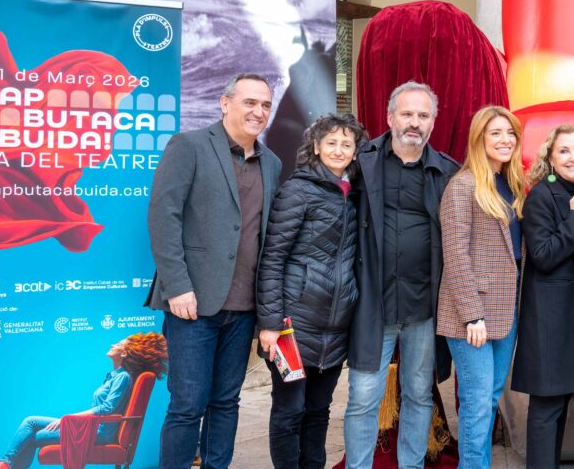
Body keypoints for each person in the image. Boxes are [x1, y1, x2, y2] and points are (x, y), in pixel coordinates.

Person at [146, 73, 282, 469]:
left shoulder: (271, 163)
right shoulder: (188, 146)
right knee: (187, 405)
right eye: (250, 102)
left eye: (265, 105)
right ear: (225, 103)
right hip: (192, 302)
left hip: (244, 307)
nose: (258, 112)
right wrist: (177, 287)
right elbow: (163, 217)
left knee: (226, 402)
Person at [345, 81, 460, 469]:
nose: (414, 122)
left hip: (424, 307)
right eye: (407, 114)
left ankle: (410, 465)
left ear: (433, 122)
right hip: (371, 305)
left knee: (417, 393)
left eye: (423, 115)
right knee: (362, 397)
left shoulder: (447, 173)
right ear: (390, 116)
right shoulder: (361, 162)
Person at [256, 114, 367, 468]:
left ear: (355, 152)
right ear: (316, 147)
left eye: (346, 144)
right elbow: (272, 258)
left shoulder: (353, 195)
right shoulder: (298, 189)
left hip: (334, 329)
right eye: (331, 142)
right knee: (290, 411)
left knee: (319, 412)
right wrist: (271, 323)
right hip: (292, 327)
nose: (338, 150)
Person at [437, 105, 527, 468]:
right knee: (476, 402)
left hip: (507, 310)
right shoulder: (462, 186)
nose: (505, 140)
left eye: (510, 133)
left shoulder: (513, 184)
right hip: (471, 315)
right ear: (479, 139)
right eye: (496, 133)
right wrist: (472, 316)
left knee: (488, 397)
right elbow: (455, 255)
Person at [511, 124, 574, 468]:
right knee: (547, 407)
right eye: (564, 151)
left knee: (560, 403)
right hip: (550, 319)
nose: (573, 157)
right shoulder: (541, 195)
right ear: (549, 157)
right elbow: (544, 255)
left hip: (569, 316)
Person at [0, 333, 168, 469]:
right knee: (31, 422)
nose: (112, 345)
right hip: (92, 427)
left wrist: (68, 418)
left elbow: (108, 408)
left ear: (124, 353)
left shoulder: (122, 377)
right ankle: (5, 463)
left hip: (99, 432)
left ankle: (5, 465)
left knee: (33, 436)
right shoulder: (113, 376)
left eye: (118, 344)